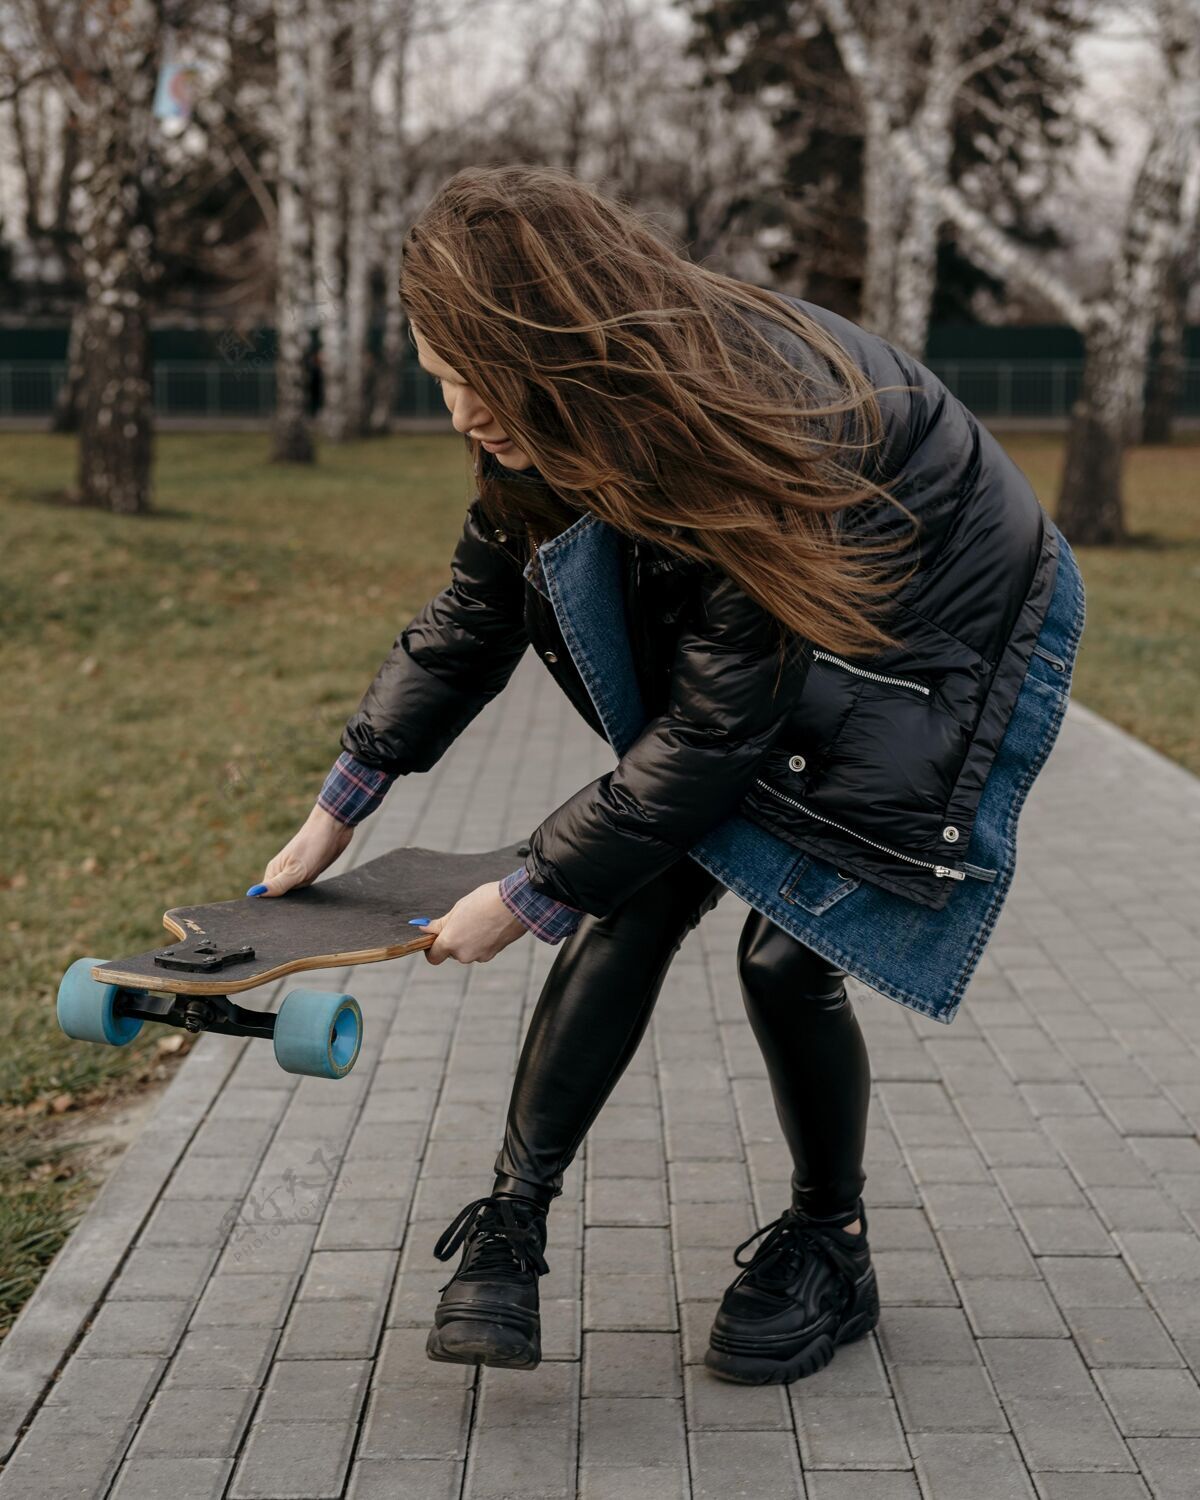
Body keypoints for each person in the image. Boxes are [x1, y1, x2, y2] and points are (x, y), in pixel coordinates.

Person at [250, 164, 1085, 1386]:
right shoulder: (550, 414)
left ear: (545, 343)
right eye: (440, 378)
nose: (459, 413)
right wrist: (343, 801)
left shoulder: (740, 421)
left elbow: (711, 735)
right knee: (641, 878)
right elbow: (477, 608)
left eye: (472, 377)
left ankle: (831, 1242)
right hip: (807, 587)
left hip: (942, 615)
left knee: (789, 945)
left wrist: (524, 895)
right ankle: (512, 1223)